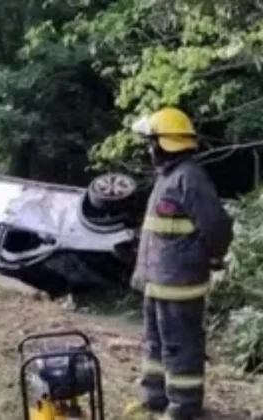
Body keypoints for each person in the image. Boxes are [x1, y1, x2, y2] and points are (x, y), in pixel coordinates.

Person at [123, 107, 233, 420]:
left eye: (150, 142)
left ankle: (183, 408)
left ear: (162, 144)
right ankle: (154, 399)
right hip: (157, 281)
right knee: (154, 344)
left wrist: (213, 257)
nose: (148, 149)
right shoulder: (167, 177)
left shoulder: (190, 178)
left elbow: (217, 227)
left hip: (179, 285)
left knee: (180, 347)